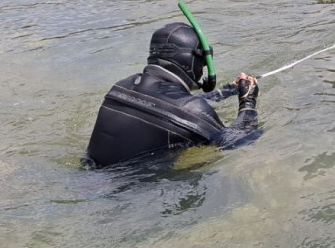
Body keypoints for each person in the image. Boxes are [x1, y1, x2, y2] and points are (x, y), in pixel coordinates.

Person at [83, 21, 261, 168]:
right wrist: (248, 101)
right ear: (189, 60)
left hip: (88, 174)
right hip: (130, 194)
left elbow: (171, 105)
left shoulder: (123, 86)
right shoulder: (191, 109)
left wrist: (228, 90)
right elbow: (237, 141)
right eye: (201, 62)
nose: (203, 68)